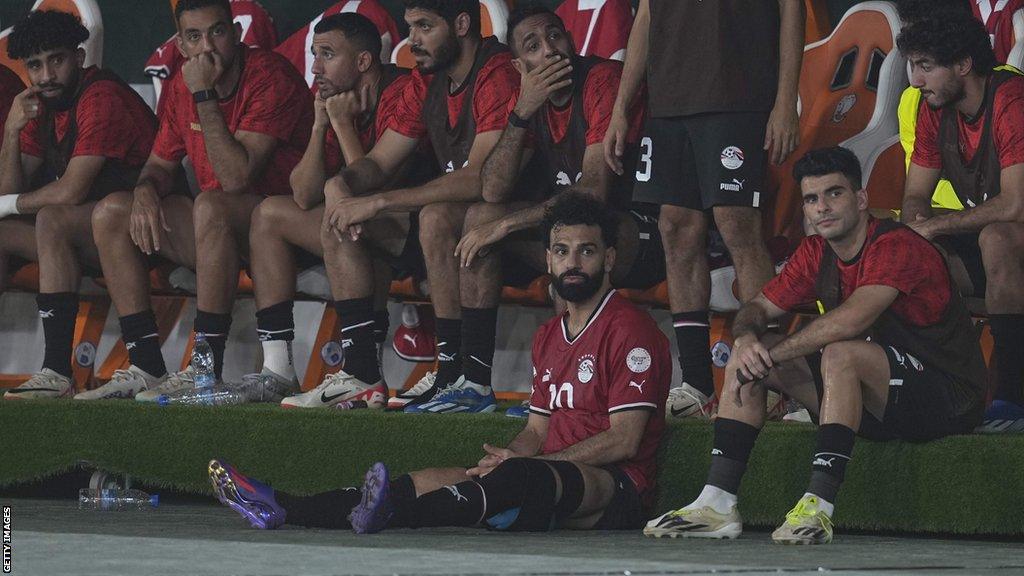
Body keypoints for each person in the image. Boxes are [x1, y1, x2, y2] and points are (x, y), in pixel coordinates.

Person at [209, 193, 671, 533]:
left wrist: (528, 465)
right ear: (549, 258)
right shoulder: (549, 335)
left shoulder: (631, 329)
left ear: (608, 258)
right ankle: (285, 506)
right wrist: (510, 456)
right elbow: (535, 431)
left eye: (586, 251)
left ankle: (396, 515)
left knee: (513, 479)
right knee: (425, 480)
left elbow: (625, 440)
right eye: (562, 251)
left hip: (615, 488)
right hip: (543, 472)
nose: (573, 263)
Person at [645, 147, 986, 545]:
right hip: (877, 399)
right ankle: (716, 503)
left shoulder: (897, 245)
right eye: (811, 199)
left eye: (834, 194)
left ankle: (818, 506)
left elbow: (852, 319)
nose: (821, 207)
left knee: (838, 351)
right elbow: (756, 306)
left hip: (947, 398)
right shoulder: (815, 252)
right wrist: (750, 339)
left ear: (861, 199)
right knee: (748, 350)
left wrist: (770, 354)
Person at [281, 0, 524, 411]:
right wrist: (341, 187)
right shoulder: (425, 79)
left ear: (462, 24)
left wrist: (376, 202)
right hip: (448, 230)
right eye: (411, 27)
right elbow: (378, 162)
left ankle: (466, 377)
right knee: (337, 211)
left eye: (425, 27)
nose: (413, 41)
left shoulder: (494, 72)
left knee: (436, 215)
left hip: (516, 221)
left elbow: (480, 179)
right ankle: (362, 375)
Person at [432, 6, 659, 416]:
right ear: (520, 65)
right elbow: (493, 188)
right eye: (534, 47)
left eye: (555, 36)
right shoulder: (529, 104)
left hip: (636, 232)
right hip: (573, 236)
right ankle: (474, 382)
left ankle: (573, 393)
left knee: (565, 237)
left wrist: (506, 226)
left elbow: (594, 191)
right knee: (480, 220)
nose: (551, 50)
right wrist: (521, 111)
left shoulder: (600, 80)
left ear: (570, 39)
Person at [87, 0, 313, 401]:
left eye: (217, 32)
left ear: (237, 34)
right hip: (220, 237)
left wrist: (205, 94)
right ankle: (146, 365)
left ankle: (205, 368)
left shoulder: (268, 75)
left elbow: (236, 178)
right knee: (111, 212)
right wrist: (144, 191)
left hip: (282, 232)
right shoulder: (180, 86)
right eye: (194, 37)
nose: (207, 47)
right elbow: (159, 165)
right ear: (181, 45)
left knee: (211, 204)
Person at [604, 0, 805, 419]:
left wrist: (786, 99)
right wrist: (622, 106)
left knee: (737, 226)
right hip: (669, 100)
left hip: (738, 94)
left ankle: (768, 380)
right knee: (674, 229)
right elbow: (645, 15)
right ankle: (696, 382)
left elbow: (791, 8)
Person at [247, 12, 423, 406]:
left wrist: (343, 124)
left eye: (327, 54)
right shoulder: (335, 100)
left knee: (340, 215)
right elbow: (303, 195)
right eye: (314, 54)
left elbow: (376, 184)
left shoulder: (400, 90)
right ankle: (277, 370)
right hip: (370, 227)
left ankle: (361, 371)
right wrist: (320, 126)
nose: (315, 66)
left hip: (416, 227)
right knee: (269, 214)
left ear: (363, 62)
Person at [0, 11, 157, 400]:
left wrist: (7, 204)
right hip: (94, 232)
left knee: (52, 217)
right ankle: (55, 373)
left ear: (79, 57)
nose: (46, 74)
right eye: (35, 65)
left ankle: (60, 368)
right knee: (7, 229)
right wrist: (12, 131)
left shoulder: (100, 95)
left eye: (57, 59)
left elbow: (70, 191)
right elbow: (10, 191)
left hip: (149, 230)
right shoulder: (43, 104)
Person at [897, 14, 1024, 433]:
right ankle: (920, 392)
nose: (915, 80)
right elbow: (915, 195)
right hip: (992, 252)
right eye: (912, 66)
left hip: (1011, 240)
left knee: (996, 237)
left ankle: (1011, 396)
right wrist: (919, 230)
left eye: (926, 66)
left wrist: (934, 227)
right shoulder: (935, 107)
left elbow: (1015, 204)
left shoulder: (1011, 100)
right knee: (899, 247)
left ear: (964, 65)